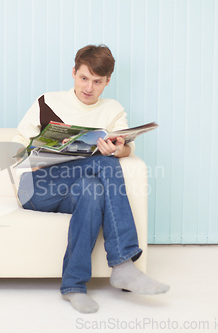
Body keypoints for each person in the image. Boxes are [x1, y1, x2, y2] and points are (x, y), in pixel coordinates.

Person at [12, 44, 169, 314]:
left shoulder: (113, 110)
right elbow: (16, 147)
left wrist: (119, 149)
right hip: (39, 187)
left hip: (75, 189)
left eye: (97, 82)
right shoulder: (47, 101)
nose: (89, 87)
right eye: (84, 78)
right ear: (74, 73)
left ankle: (73, 285)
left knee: (94, 189)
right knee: (104, 164)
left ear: (107, 81)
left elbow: (127, 148)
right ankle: (122, 265)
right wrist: (33, 156)